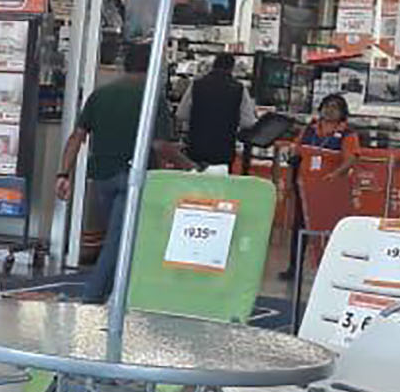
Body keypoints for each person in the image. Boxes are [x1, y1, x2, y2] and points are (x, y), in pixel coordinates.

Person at [55, 42, 193, 304]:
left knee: (118, 237)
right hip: (136, 177)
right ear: (153, 67)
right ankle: (94, 298)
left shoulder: (100, 95)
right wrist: (193, 168)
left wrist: (63, 174)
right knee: (119, 241)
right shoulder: (152, 98)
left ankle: (118, 293)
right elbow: (160, 145)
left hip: (102, 177)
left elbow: (77, 136)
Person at [284, 92, 361, 278]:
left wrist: (335, 175)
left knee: (329, 228)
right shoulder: (309, 129)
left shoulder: (347, 134)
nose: (329, 110)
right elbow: (296, 150)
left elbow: (351, 159)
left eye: (335, 107)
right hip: (305, 188)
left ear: (342, 112)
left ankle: (330, 268)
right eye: (326, 106)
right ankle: (294, 268)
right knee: (299, 227)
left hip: (329, 191)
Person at [177, 53, 258, 169]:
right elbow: (247, 122)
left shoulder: (196, 85)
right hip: (223, 150)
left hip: (196, 148)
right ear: (232, 68)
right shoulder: (239, 89)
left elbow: (181, 114)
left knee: (194, 183)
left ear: (213, 65)